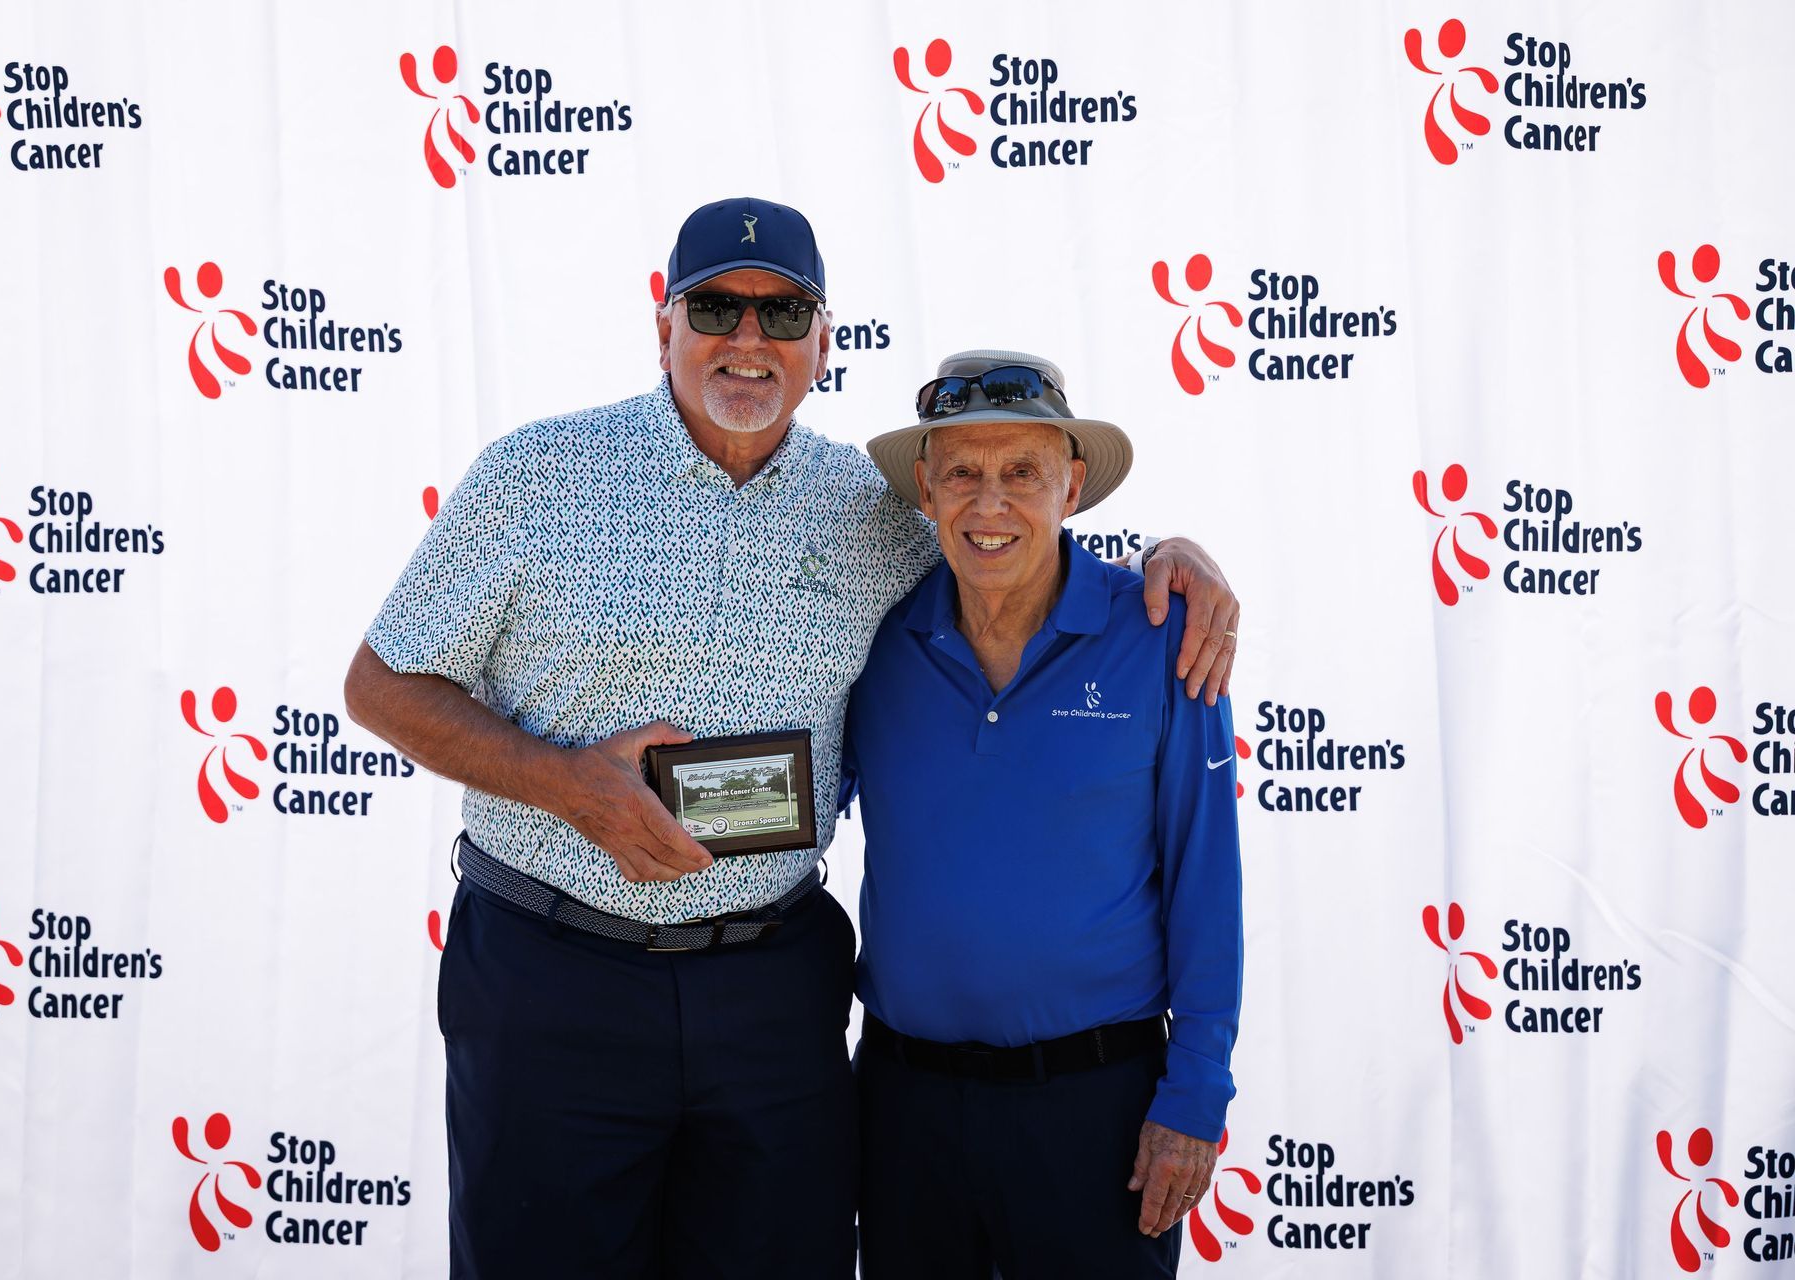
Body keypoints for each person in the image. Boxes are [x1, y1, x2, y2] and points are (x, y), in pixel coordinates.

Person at [342, 198, 1242, 1278]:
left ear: (823, 341)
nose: (748, 338)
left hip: (769, 995)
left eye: (782, 314)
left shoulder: (872, 511)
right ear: (664, 326)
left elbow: (1013, 539)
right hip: (554, 978)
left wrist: (1174, 558)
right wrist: (566, 784)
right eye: (715, 307)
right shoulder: (534, 477)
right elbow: (379, 684)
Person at [844, 350, 1243, 1279]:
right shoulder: (876, 641)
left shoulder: (1162, 635)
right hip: (903, 1110)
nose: (991, 505)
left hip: (1098, 1110)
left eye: (1023, 472)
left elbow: (1206, 880)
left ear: (1072, 485)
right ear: (925, 489)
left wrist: (1197, 1093)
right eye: (963, 473)